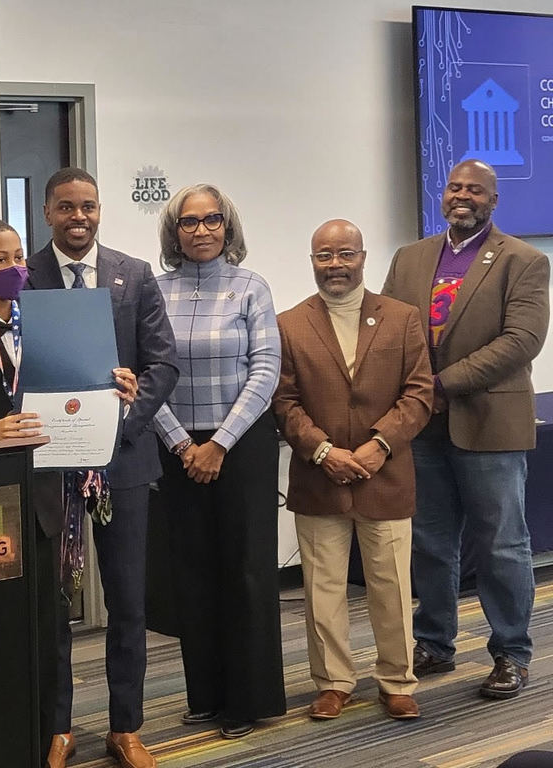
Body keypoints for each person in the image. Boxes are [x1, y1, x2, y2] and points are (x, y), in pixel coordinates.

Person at [0, 215, 133, 767]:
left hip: (48, 498)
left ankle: (53, 732)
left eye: (19, 257)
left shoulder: (50, 322)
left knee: (50, 625)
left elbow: (83, 392)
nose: (16, 268)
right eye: (1, 260)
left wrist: (117, 393)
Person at [27, 168, 178, 768]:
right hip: (48, 463)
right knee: (52, 603)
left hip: (124, 459)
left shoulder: (133, 275)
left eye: (88, 206)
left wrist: (126, 417)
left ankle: (126, 725)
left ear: (100, 209)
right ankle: (57, 727)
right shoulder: (25, 276)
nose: (79, 217)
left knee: (128, 598)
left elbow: (163, 365)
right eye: (66, 207)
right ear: (47, 213)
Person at [382, 159, 550, 699]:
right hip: (423, 427)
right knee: (431, 542)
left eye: (475, 190)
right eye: (455, 187)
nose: (463, 196)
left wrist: (441, 384)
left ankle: (511, 652)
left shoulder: (523, 260)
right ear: (443, 194)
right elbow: (385, 331)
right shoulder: (410, 259)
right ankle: (435, 640)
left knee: (502, 543)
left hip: (490, 424)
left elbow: (520, 341)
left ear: (493, 200)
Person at [273, 219, 432, 722]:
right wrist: (323, 452)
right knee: (322, 589)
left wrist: (379, 446)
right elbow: (284, 401)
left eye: (345, 254)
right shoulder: (290, 323)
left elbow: (419, 392)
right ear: (313, 261)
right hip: (319, 476)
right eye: (324, 256)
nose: (335, 265)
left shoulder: (403, 318)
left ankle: (397, 680)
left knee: (391, 585)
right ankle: (333, 682)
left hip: (384, 474)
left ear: (363, 257)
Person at [150, 184, 285, 739]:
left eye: (212, 220)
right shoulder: (153, 292)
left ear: (228, 227)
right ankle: (205, 694)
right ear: (173, 231)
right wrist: (184, 444)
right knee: (193, 573)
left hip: (242, 443)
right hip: (177, 447)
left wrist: (219, 443)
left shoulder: (252, 287)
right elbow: (145, 377)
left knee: (246, 572)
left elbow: (266, 370)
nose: (201, 230)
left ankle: (247, 701)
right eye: (189, 221)